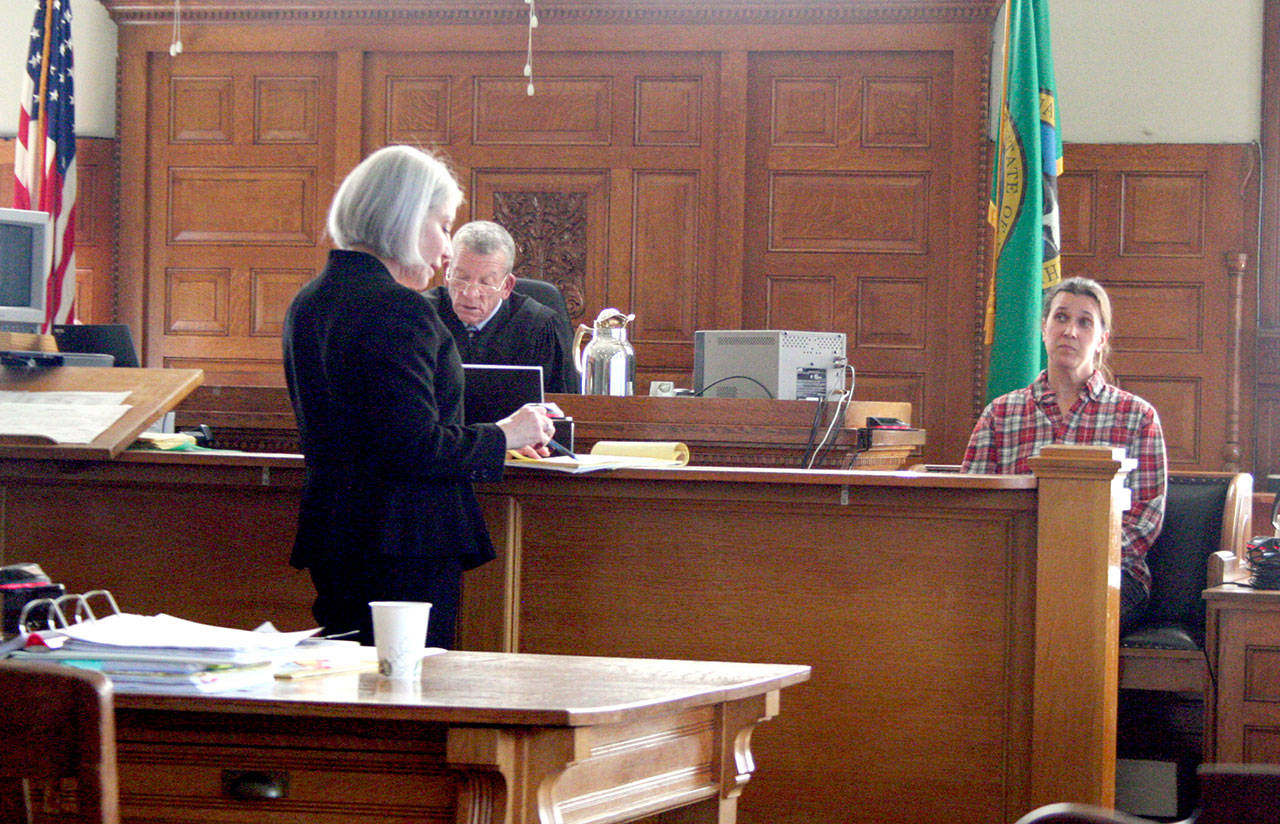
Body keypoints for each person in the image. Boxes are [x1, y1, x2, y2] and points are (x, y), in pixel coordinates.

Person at [282, 145, 555, 648]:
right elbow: (413, 447)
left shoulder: (310, 300)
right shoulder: (397, 309)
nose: (447, 249)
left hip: (338, 535)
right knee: (404, 703)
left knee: (351, 695)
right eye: (444, 225)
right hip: (402, 543)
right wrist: (505, 434)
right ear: (405, 220)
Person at [962, 276, 1167, 635]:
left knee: (1064, 612)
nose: (1070, 331)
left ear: (1102, 338)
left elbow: (1145, 518)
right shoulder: (1001, 414)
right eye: (1060, 318)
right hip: (1019, 570)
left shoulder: (1137, 416)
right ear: (1043, 329)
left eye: (1085, 322)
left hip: (1111, 576)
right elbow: (974, 502)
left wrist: (1072, 556)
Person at [424, 220, 578, 394]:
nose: (471, 293)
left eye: (486, 283)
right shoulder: (422, 316)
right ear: (447, 272)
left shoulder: (537, 327)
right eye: (461, 278)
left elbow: (561, 407)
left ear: (507, 286)